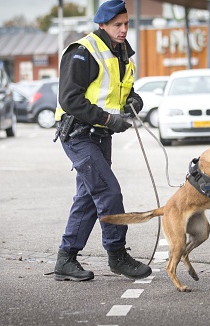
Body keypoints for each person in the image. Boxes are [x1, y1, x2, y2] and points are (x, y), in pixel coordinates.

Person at [53, 0, 151, 282]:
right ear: (102, 25)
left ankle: (65, 260)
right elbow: (70, 100)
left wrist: (135, 100)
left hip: (99, 135)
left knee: (87, 198)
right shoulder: (83, 52)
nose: (123, 30)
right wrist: (109, 120)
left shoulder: (122, 54)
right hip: (78, 134)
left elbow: (123, 93)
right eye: (117, 25)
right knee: (109, 192)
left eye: (126, 24)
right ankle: (117, 256)